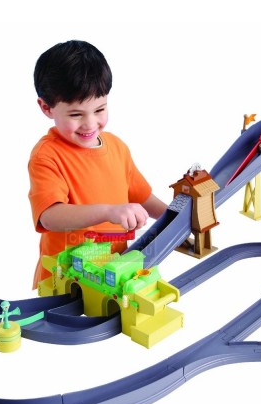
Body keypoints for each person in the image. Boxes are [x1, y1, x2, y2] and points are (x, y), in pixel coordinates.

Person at [28, 40, 167, 289]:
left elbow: (141, 196)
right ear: (46, 107)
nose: (90, 124)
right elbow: (49, 216)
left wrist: (173, 217)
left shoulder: (116, 147)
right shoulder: (46, 156)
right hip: (65, 280)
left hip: (114, 275)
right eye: (76, 114)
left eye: (100, 109)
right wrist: (109, 212)